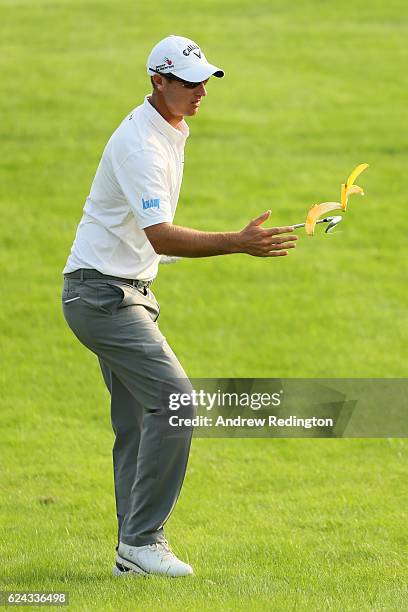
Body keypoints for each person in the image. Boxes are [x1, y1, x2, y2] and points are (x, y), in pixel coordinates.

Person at [61, 34, 298, 578]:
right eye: (188, 83)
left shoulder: (169, 129)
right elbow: (161, 236)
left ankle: (131, 550)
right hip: (101, 296)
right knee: (176, 403)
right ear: (157, 82)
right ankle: (143, 541)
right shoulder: (142, 144)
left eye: (204, 81)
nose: (199, 92)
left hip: (120, 291)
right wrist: (236, 243)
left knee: (140, 422)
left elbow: (147, 239)